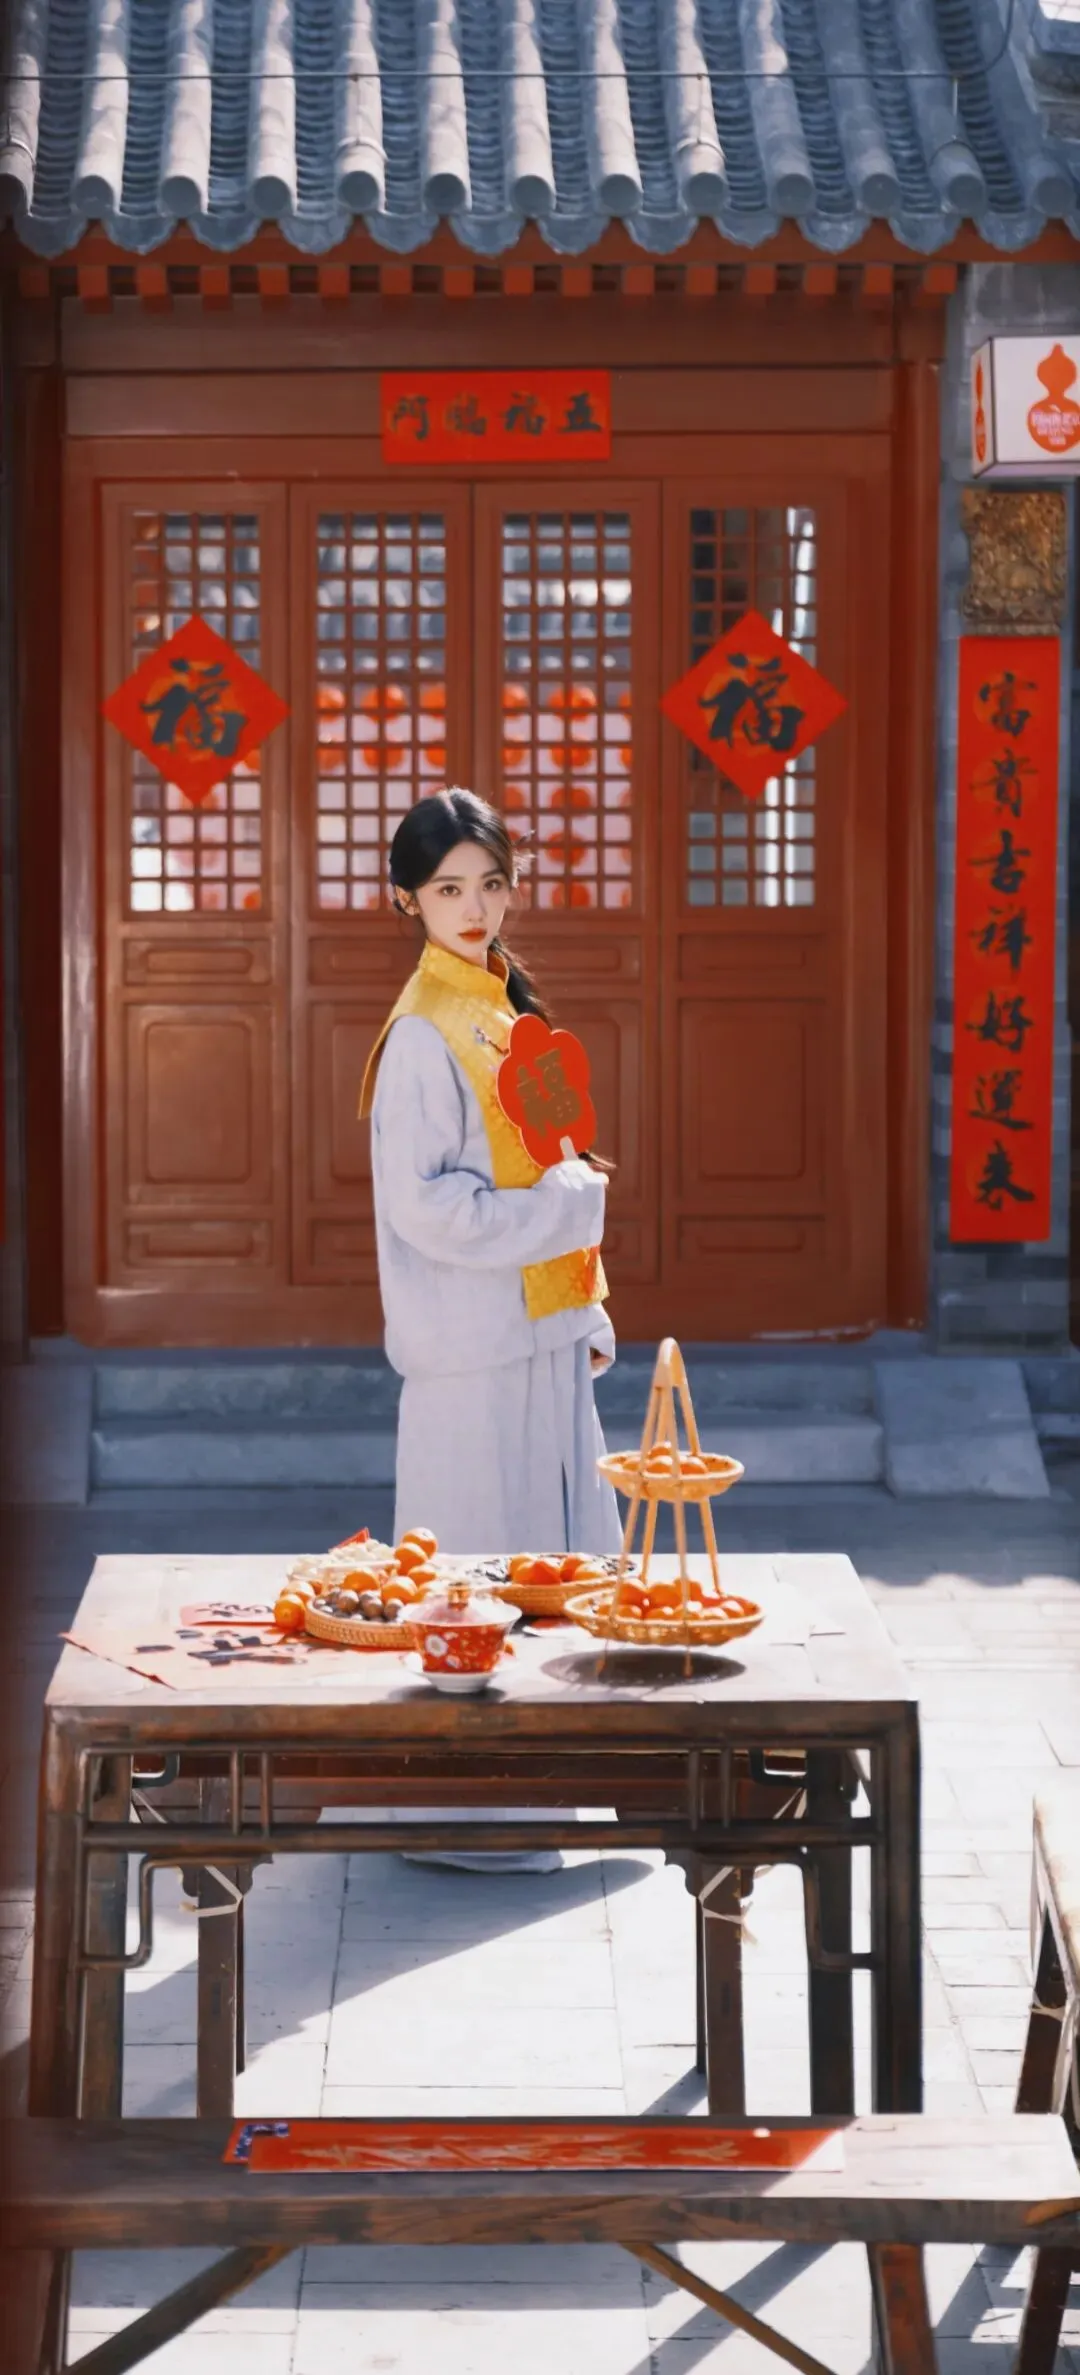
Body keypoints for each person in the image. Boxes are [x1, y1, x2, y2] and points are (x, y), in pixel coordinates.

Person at [360, 787, 622, 1563]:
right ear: (407, 899)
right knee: (476, 1583)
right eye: (448, 889)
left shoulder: (504, 1010)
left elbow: (554, 1159)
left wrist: (585, 1310)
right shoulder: (423, 1032)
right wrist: (566, 1211)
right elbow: (426, 1208)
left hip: (542, 1332)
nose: (474, 908)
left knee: (562, 1578)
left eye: (490, 883)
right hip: (472, 1351)